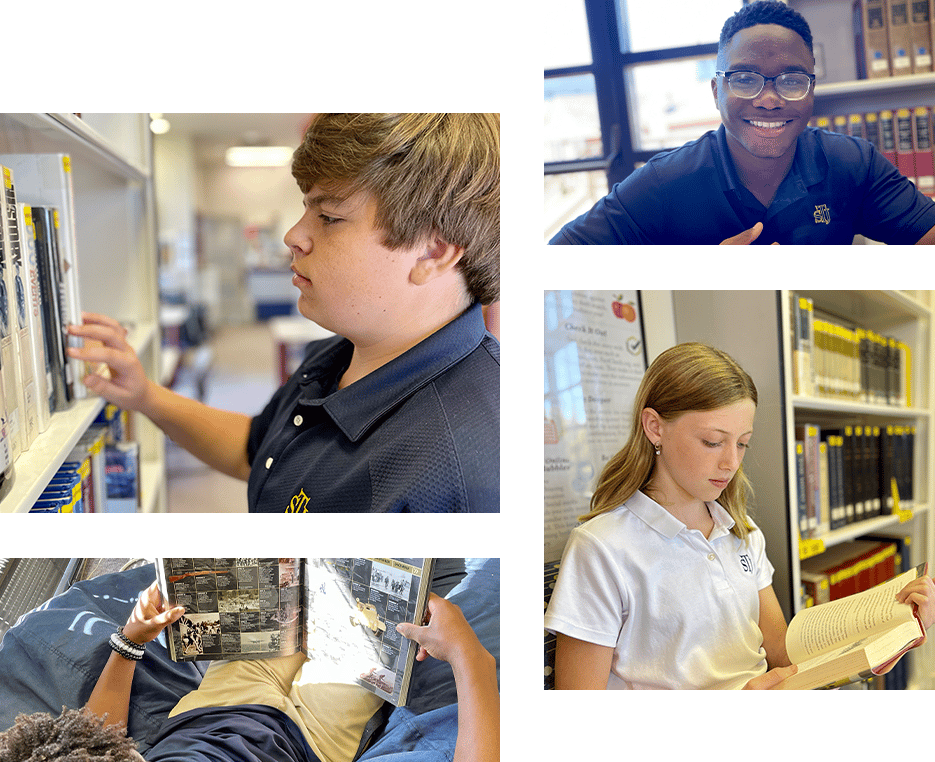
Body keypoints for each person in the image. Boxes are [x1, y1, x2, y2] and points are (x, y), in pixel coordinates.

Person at [68, 113, 500, 512]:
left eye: (329, 217)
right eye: (306, 208)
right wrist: (146, 395)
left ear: (432, 252)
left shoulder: (463, 469)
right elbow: (255, 451)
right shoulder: (337, 355)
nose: (293, 235)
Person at [543, 342, 935, 689]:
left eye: (742, 444)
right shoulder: (601, 548)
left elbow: (782, 652)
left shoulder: (742, 532)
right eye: (713, 441)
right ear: (654, 427)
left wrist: (887, 633)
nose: (730, 462)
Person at [0, 581, 499, 762]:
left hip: (216, 705)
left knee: (297, 587)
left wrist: (129, 642)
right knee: (374, 614)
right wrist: (471, 662)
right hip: (310, 740)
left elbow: (95, 737)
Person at [548, 1, 935, 245]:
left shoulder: (854, 164)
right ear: (716, 91)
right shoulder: (662, 183)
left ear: (812, 91)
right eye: (745, 79)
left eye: (792, 80)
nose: (769, 99)